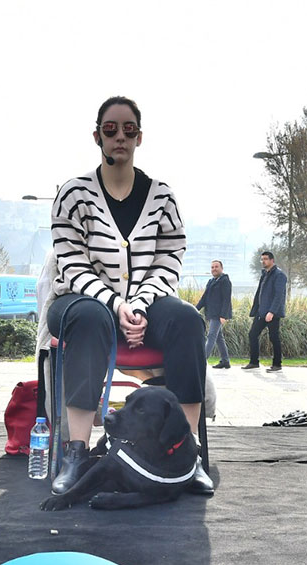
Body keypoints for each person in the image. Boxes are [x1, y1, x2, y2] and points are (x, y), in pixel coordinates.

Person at [43, 96, 211, 496]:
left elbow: (170, 259)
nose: (120, 136)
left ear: (140, 136)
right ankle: (77, 451)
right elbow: (71, 263)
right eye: (111, 129)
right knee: (90, 317)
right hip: (79, 302)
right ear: (97, 136)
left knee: (188, 319)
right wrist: (116, 305)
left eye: (128, 129)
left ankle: (189, 454)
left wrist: (138, 303)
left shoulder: (163, 196)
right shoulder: (72, 194)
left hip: (145, 305)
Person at [243, 251, 287, 371]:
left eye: (266, 259)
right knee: (252, 334)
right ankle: (254, 362)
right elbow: (259, 293)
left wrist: (271, 312)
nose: (263, 261)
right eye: (262, 259)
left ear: (272, 260)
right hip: (261, 312)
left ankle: (277, 364)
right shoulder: (264, 274)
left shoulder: (279, 275)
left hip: (273, 313)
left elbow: (279, 296)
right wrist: (256, 309)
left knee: (274, 337)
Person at [196, 259, 233, 368]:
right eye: (212, 267)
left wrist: (223, 315)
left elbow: (227, 299)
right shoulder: (211, 281)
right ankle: (225, 361)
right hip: (211, 313)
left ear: (221, 268)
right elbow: (204, 298)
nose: (214, 269)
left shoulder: (225, 281)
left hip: (218, 315)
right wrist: (194, 309)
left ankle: (202, 360)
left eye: (216, 267)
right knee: (219, 338)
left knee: (211, 335)